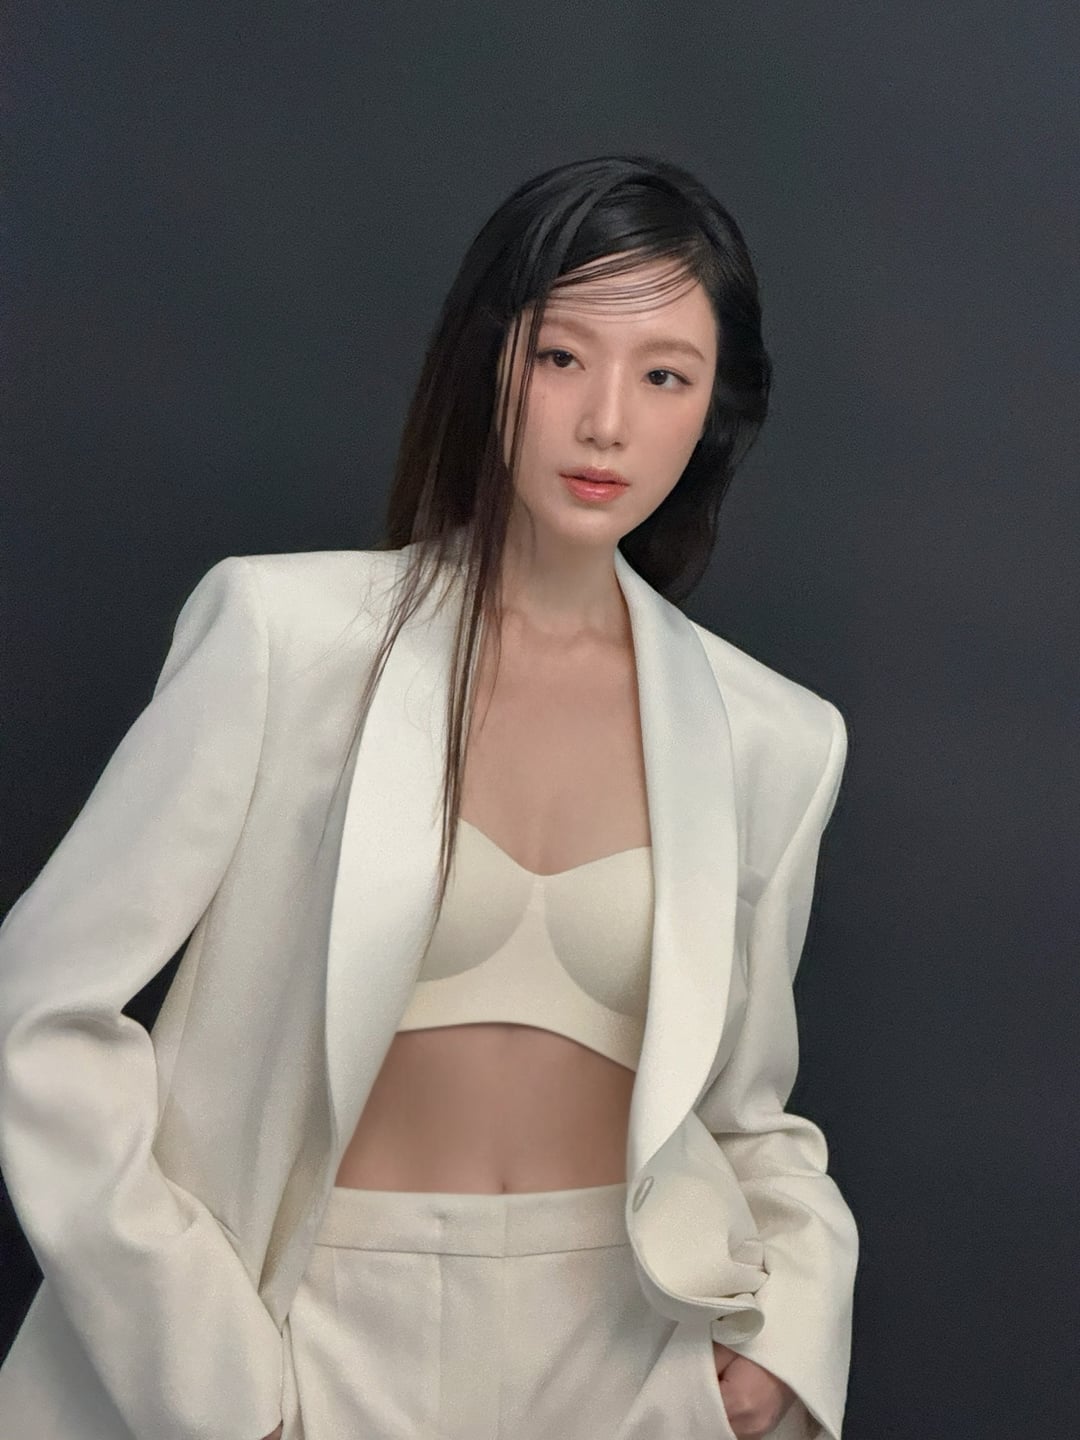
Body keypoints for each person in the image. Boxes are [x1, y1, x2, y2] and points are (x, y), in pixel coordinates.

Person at [0, 154, 857, 1440]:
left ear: (711, 413)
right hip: (314, 1337)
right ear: (486, 361)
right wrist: (211, 1373)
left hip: (630, 1354)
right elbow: (41, 1014)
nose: (606, 421)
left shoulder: (773, 738)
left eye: (664, 375)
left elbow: (745, 1114)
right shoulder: (283, 637)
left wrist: (789, 1337)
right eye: (561, 356)